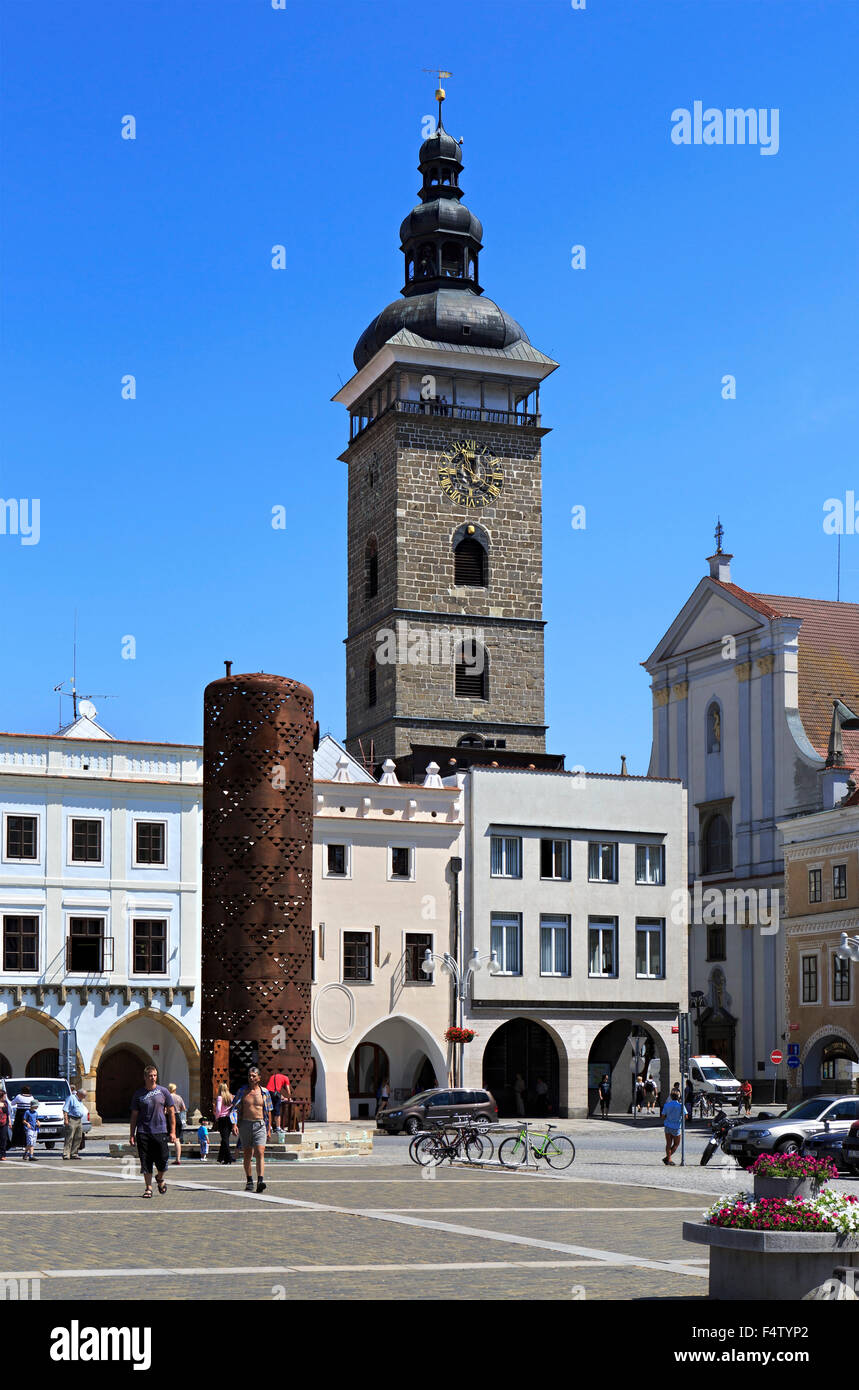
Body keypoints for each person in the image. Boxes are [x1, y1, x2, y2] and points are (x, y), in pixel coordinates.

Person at [130, 1064, 176, 1198]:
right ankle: (148, 1188)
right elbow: (134, 1115)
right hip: (143, 1131)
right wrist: (131, 1134)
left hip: (160, 1131)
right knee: (146, 1161)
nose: (153, 1078)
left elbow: (172, 1112)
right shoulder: (138, 1094)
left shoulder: (163, 1092)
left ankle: (160, 1178)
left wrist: (172, 1132)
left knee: (163, 1160)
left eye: (155, 1075)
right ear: (145, 1077)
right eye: (150, 1076)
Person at [230, 1066, 271, 1193]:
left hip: (260, 1124)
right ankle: (249, 1180)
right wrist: (234, 1124)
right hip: (245, 1124)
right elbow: (234, 1109)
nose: (251, 1078)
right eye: (249, 1075)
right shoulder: (242, 1091)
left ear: (259, 1078)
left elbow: (269, 1111)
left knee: (260, 1152)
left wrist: (269, 1128)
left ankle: (260, 1180)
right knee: (248, 1154)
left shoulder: (265, 1092)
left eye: (253, 1076)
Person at [661, 1084, 684, 1165]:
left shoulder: (666, 1105)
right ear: (678, 1097)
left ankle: (668, 1158)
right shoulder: (681, 1106)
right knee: (676, 1144)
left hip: (668, 1125)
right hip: (677, 1126)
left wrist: (668, 1117)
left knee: (668, 1143)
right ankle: (668, 1158)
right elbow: (686, 1116)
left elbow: (663, 1116)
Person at [62, 1088, 87, 1160]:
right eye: (84, 1096)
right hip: (71, 1119)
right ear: (79, 1094)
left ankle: (74, 1153)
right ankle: (66, 1154)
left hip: (79, 1120)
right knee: (69, 1137)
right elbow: (65, 1110)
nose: (84, 1097)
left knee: (78, 1137)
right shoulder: (71, 1098)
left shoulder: (80, 1100)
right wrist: (66, 1119)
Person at [214, 1084, 234, 1164]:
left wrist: (216, 1117)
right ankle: (221, 1158)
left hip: (222, 1119)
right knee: (225, 1138)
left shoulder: (220, 1097)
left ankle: (228, 1157)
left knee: (225, 1139)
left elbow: (218, 1109)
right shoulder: (231, 1097)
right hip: (229, 1118)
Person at [266, 1070, 290, 1134]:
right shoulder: (286, 1078)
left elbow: (274, 1091)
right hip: (274, 1094)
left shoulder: (273, 1076)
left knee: (269, 1110)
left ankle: (269, 1127)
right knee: (277, 1111)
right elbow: (288, 1090)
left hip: (268, 1093)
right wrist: (289, 1098)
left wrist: (283, 1097)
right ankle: (278, 1128)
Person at [168, 1083, 187, 1164]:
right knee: (177, 1140)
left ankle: (163, 1158)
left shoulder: (168, 1097)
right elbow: (184, 1108)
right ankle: (178, 1159)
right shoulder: (179, 1097)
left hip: (169, 1117)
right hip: (177, 1117)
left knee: (165, 1138)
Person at [11, 1085, 33, 1151]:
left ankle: (14, 1145)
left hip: (20, 1114)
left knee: (16, 1129)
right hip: (28, 1114)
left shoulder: (19, 1096)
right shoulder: (31, 1097)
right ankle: (25, 1145)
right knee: (26, 1130)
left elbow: (12, 1103)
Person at [0, 1086, 11, 1161]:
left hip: (4, 1123)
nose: (5, 1097)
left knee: (3, 1139)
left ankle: (2, 1155)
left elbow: (8, 1114)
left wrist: (9, 1122)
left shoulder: (5, 1103)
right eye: (4, 1096)